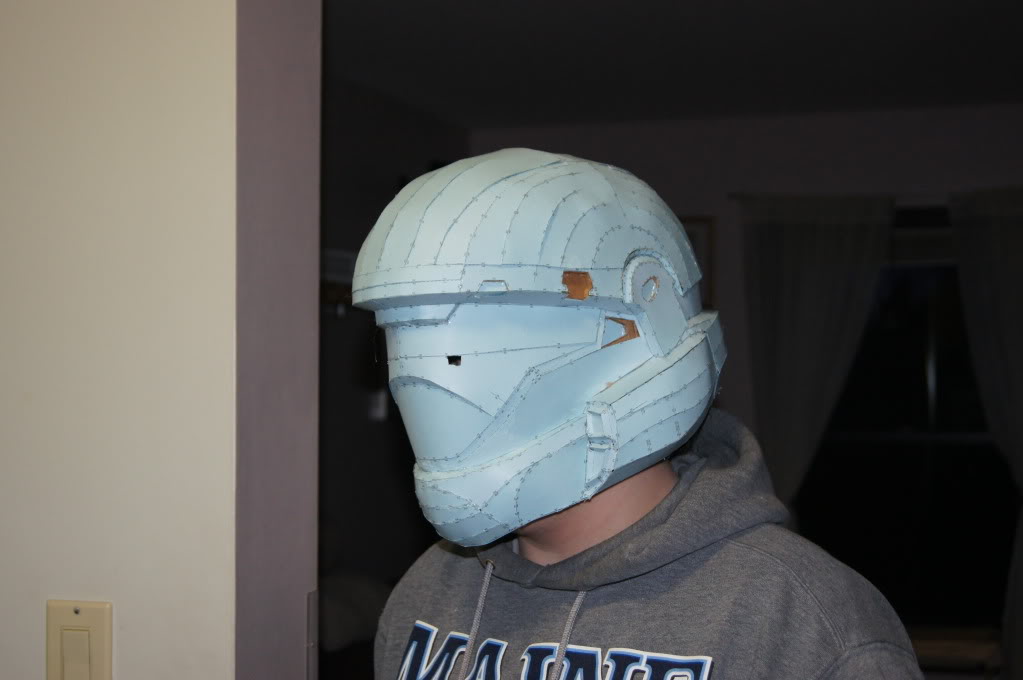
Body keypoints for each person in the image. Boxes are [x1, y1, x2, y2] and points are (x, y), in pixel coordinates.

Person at [352, 148, 923, 680]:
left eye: (474, 339)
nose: (429, 378)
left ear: (646, 316)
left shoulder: (805, 623)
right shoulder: (428, 593)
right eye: (401, 338)